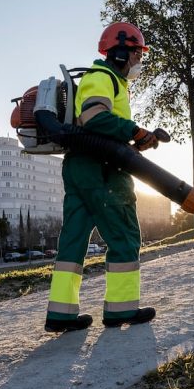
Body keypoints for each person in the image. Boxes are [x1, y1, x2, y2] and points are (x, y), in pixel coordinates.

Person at [44, 22, 159, 332]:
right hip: (103, 170)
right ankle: (121, 310)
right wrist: (134, 131)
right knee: (123, 236)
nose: (138, 63)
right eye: (136, 55)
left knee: (73, 241)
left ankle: (61, 315)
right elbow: (96, 117)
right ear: (120, 52)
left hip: (82, 167)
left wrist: (136, 140)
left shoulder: (107, 81)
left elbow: (97, 125)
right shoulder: (102, 77)